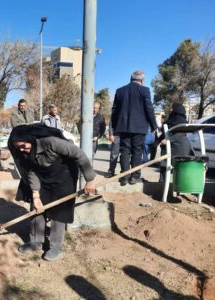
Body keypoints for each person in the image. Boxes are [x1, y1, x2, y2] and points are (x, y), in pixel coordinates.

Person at [8, 124, 96, 261]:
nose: (22, 150)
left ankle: (55, 247)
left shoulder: (52, 142)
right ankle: (35, 241)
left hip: (64, 177)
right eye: (18, 147)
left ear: (30, 139)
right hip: (43, 178)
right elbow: (31, 172)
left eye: (23, 145)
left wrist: (89, 180)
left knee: (59, 213)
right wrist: (36, 195)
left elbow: (79, 155)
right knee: (37, 209)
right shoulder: (25, 152)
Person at [111, 70, 158, 185]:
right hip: (139, 127)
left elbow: (114, 111)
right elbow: (149, 109)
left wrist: (114, 127)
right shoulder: (144, 90)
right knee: (137, 151)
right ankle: (134, 177)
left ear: (131, 79)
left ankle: (124, 177)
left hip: (123, 127)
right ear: (141, 80)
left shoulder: (120, 91)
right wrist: (154, 125)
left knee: (125, 151)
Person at [156, 103, 194, 182]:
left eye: (172, 108)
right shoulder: (179, 121)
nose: (170, 110)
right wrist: (158, 140)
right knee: (165, 153)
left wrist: (167, 140)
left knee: (165, 159)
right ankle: (164, 183)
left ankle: (163, 183)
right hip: (181, 147)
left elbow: (178, 134)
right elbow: (166, 134)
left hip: (177, 148)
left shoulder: (176, 121)